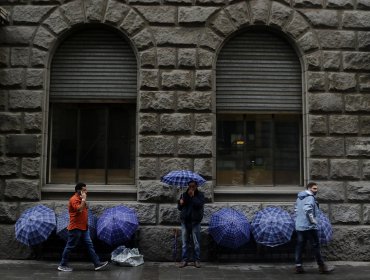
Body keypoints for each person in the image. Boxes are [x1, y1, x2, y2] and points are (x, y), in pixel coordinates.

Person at [58, 182, 109, 272]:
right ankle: (62, 265)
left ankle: (97, 264)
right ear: (78, 191)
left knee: (89, 245)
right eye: (84, 190)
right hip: (75, 228)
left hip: (84, 227)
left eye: (86, 189)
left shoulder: (80, 198)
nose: (86, 191)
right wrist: (84, 200)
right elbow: (79, 209)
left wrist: (83, 200)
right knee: (70, 246)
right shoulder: (74, 199)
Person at [294, 182, 334, 274]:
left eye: (316, 188)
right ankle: (322, 267)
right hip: (309, 227)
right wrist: (313, 221)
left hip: (299, 226)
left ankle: (298, 266)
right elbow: (308, 210)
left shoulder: (299, 198)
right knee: (315, 246)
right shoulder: (310, 198)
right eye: (314, 188)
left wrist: (299, 220)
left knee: (300, 245)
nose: (316, 190)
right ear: (309, 188)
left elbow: (296, 210)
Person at [177, 180, 205, 268]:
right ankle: (184, 260)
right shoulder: (184, 195)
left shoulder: (200, 195)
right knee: (185, 242)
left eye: (193, 186)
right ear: (188, 186)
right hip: (185, 222)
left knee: (196, 243)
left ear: (196, 186)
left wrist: (193, 197)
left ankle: (196, 260)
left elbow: (199, 205)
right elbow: (180, 208)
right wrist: (180, 203)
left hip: (195, 222)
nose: (191, 188)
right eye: (190, 186)